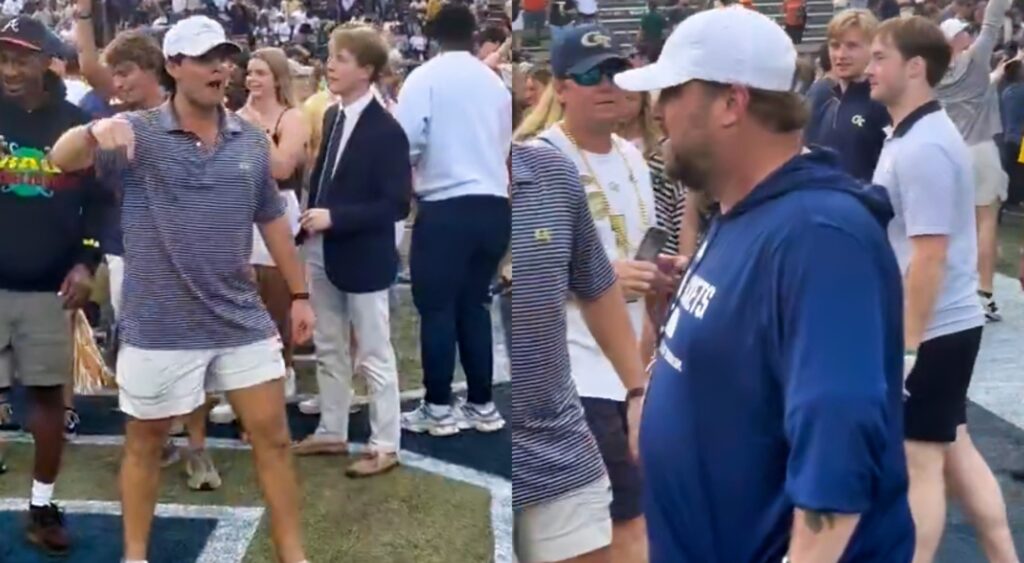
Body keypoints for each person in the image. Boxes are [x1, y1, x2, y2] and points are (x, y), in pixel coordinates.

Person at [615, 6, 914, 561]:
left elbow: (838, 448)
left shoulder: (819, 236)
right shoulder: (742, 212)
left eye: (672, 93)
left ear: (732, 102)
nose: (657, 112)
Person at [48, 16, 313, 563]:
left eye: (226, 56)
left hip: (239, 318)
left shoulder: (250, 142)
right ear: (173, 67)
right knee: (144, 445)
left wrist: (301, 294)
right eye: (206, 57)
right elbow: (60, 159)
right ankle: (136, 554)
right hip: (159, 322)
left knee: (275, 439)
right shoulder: (136, 133)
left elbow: (271, 222)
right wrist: (94, 131)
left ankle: (294, 555)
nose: (222, 67)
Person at [866, 16, 1019, 563]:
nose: (869, 67)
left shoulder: (924, 145)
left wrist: (908, 346)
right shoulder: (910, 135)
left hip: (934, 329)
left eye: (880, 56)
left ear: (914, 67)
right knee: (953, 450)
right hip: (941, 326)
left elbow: (929, 255)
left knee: (920, 463)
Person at [535, 24, 661, 562]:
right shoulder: (539, 159)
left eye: (614, 71)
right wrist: (603, 275)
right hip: (573, 371)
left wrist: (661, 272)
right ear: (561, 88)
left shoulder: (635, 158)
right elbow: (517, 273)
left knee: (629, 518)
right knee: (614, 526)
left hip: (632, 368)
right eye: (590, 75)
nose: (607, 84)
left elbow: (641, 246)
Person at [0, 15, 111, 556]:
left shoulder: (75, 122)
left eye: (21, 58)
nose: (10, 69)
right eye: (3, 58)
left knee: (45, 398)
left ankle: (42, 505)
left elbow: (99, 205)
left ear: (48, 61)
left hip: (49, 287)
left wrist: (86, 262)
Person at [510, 140, 648, 563]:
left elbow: (596, 283)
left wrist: (637, 391)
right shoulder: (433, 178)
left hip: (558, 438)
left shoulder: (553, 171)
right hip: (493, 442)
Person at [294, 25, 410, 479]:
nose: (330, 65)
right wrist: (312, 221)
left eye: (341, 58)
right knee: (328, 344)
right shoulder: (333, 116)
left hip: (362, 256)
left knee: (374, 353)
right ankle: (332, 427)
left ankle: (385, 443)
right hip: (324, 250)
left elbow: (396, 203)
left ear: (366, 70)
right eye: (331, 57)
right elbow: (325, 179)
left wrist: (335, 218)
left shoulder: (387, 131)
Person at [397, 4, 511, 436]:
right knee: (475, 304)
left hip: (446, 203)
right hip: (493, 202)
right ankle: (482, 403)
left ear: (433, 35)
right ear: (474, 34)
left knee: (438, 309)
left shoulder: (425, 77)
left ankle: (439, 406)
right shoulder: (494, 82)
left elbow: (406, 141)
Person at [210, 46, 308, 426]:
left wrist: (253, 132)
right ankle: (231, 386)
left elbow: (283, 167)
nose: (252, 80)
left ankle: (283, 369)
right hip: (239, 211)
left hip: (280, 211)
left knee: (275, 297)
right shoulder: (232, 117)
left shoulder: (292, 117)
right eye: (249, 73)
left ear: (277, 78)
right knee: (237, 298)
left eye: (261, 73)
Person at [937, 2, 1009, 322]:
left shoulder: (934, 74)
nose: (968, 35)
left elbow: (978, 89)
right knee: (986, 222)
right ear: (953, 41)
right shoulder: (977, 58)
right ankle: (985, 292)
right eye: (962, 33)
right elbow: (993, 22)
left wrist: (998, 74)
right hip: (981, 149)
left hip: (951, 152)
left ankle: (955, 290)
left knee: (956, 225)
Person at [805, 9, 889, 182]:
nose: (841, 55)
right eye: (835, 46)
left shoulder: (884, 104)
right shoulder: (821, 99)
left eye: (852, 46)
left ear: (872, 48)